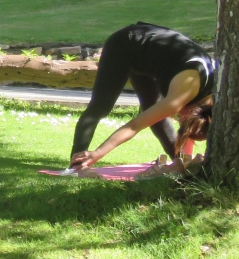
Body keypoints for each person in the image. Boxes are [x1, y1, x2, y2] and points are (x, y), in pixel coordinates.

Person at [69, 22, 214, 170]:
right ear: (191, 112)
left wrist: (185, 160)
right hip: (126, 44)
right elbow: (134, 126)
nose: (177, 118)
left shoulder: (212, 102)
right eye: (181, 120)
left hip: (151, 56)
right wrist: (97, 153)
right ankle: (77, 164)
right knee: (100, 108)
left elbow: (189, 127)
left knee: (154, 113)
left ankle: (179, 162)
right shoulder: (179, 97)